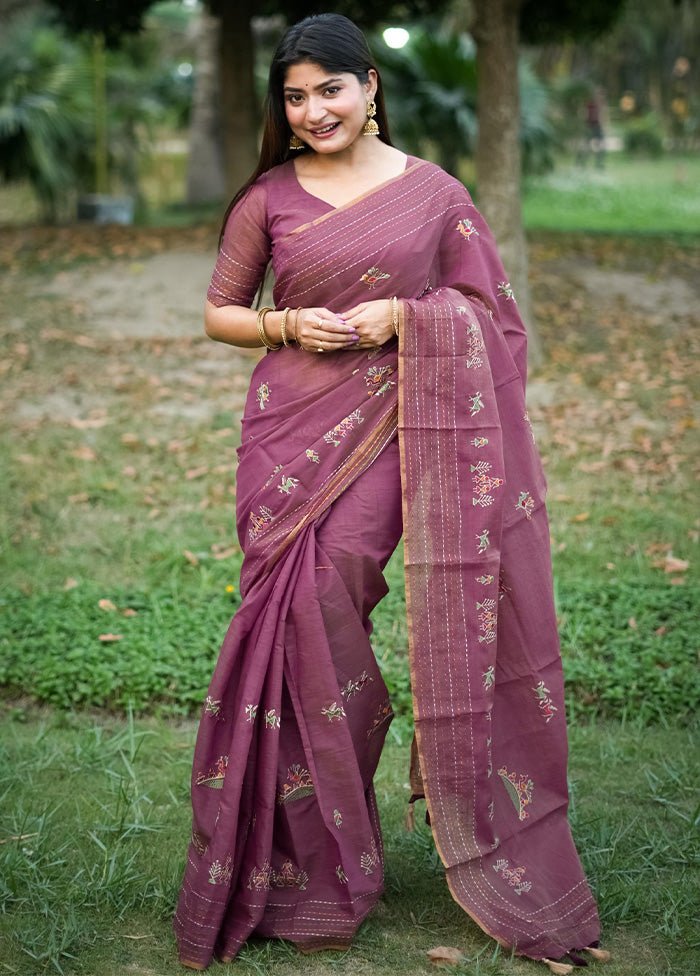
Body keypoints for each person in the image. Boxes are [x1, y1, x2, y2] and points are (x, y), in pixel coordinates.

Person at [174, 14, 608, 975]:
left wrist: (405, 319)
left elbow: (491, 318)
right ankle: (295, 864)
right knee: (287, 624)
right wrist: (286, 322)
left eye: (331, 87)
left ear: (371, 87)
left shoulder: (435, 196)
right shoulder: (267, 198)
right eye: (295, 95)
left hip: (390, 438)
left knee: (331, 607)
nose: (314, 108)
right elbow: (220, 312)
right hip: (285, 434)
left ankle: (343, 848)